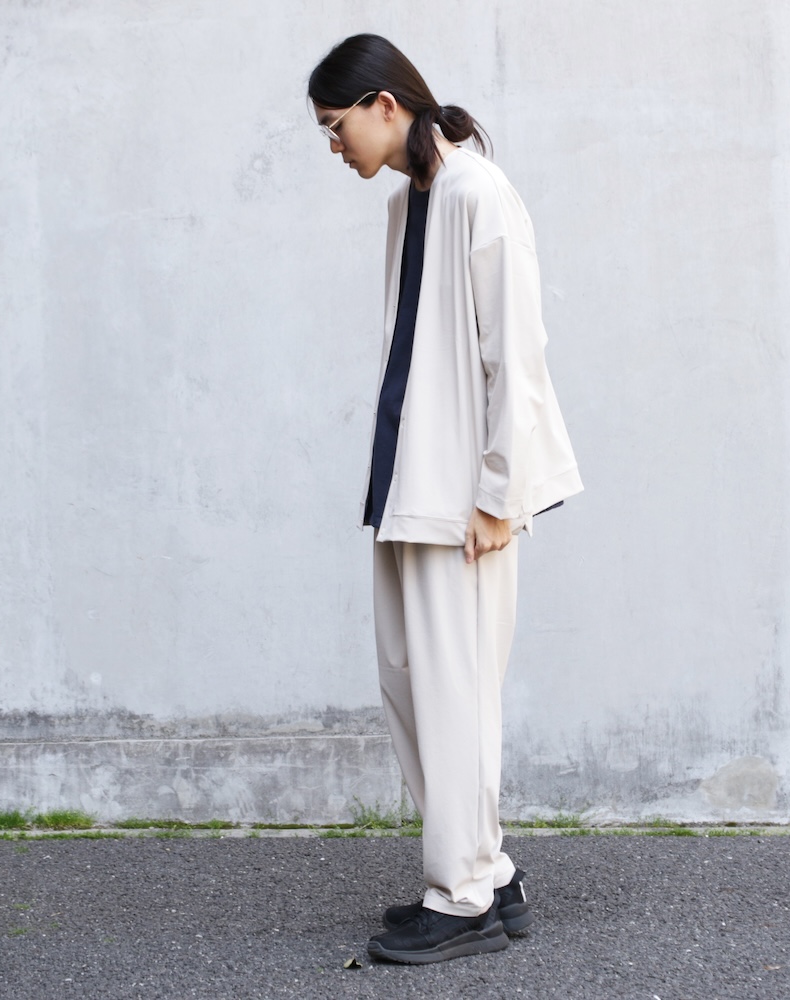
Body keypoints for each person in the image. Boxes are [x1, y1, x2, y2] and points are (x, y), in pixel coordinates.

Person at [308, 34, 583, 965]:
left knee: (456, 695)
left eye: (336, 125)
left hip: (466, 499)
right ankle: (486, 872)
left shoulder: (477, 192)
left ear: (384, 105)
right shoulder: (409, 202)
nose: (333, 145)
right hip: (407, 489)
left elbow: (518, 349)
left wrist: (501, 493)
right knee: (410, 686)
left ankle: (462, 899)